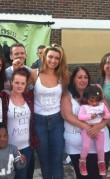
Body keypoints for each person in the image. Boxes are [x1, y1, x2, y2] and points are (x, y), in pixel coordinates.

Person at [61, 67, 110, 179]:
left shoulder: (96, 91)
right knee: (82, 177)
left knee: (98, 176)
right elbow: (67, 115)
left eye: (85, 77)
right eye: (79, 77)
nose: (83, 80)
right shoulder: (67, 94)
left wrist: (98, 126)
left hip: (100, 142)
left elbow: (107, 113)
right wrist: (88, 127)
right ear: (73, 79)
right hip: (77, 147)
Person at [31, 44, 69, 179]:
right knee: (44, 160)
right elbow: (19, 86)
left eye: (57, 58)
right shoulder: (34, 73)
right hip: (39, 121)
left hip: (57, 121)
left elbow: (66, 97)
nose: (53, 60)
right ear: (44, 57)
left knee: (57, 159)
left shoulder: (63, 76)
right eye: (50, 57)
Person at [0, 68, 38, 179]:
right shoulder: (4, 98)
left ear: (26, 85)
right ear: (11, 82)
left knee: (24, 176)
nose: (19, 86)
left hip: (27, 147)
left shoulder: (29, 98)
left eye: (22, 83)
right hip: (9, 148)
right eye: (16, 82)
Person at [78, 85, 110, 176]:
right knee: (85, 146)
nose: (94, 103)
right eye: (91, 101)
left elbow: (108, 115)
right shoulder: (84, 107)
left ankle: (101, 163)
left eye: (96, 100)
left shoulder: (102, 105)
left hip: (99, 129)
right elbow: (80, 117)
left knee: (100, 148)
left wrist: (104, 114)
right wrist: (90, 116)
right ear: (86, 98)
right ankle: (82, 162)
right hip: (87, 128)